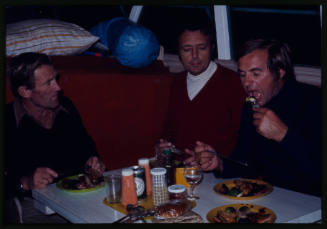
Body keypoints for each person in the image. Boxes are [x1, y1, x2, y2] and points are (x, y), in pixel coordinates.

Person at [185, 38, 321, 196]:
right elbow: (247, 166)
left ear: (280, 71)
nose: (247, 82)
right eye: (242, 74)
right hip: (275, 200)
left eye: (256, 73)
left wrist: (284, 135)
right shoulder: (250, 107)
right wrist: (219, 163)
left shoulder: (314, 101)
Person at [5, 52, 106, 223]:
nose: (58, 87)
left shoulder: (66, 107)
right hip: (33, 204)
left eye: (56, 79)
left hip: (78, 195)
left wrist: (93, 162)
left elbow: (88, 148)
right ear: (25, 91)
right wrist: (25, 183)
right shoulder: (7, 121)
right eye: (48, 83)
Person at [155, 12, 246, 160]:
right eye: (187, 49)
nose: (195, 56)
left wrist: (217, 161)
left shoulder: (234, 83)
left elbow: (246, 143)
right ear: (178, 52)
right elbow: (168, 131)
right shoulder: (176, 83)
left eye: (202, 48)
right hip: (182, 172)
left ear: (212, 48)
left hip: (219, 176)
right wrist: (162, 147)